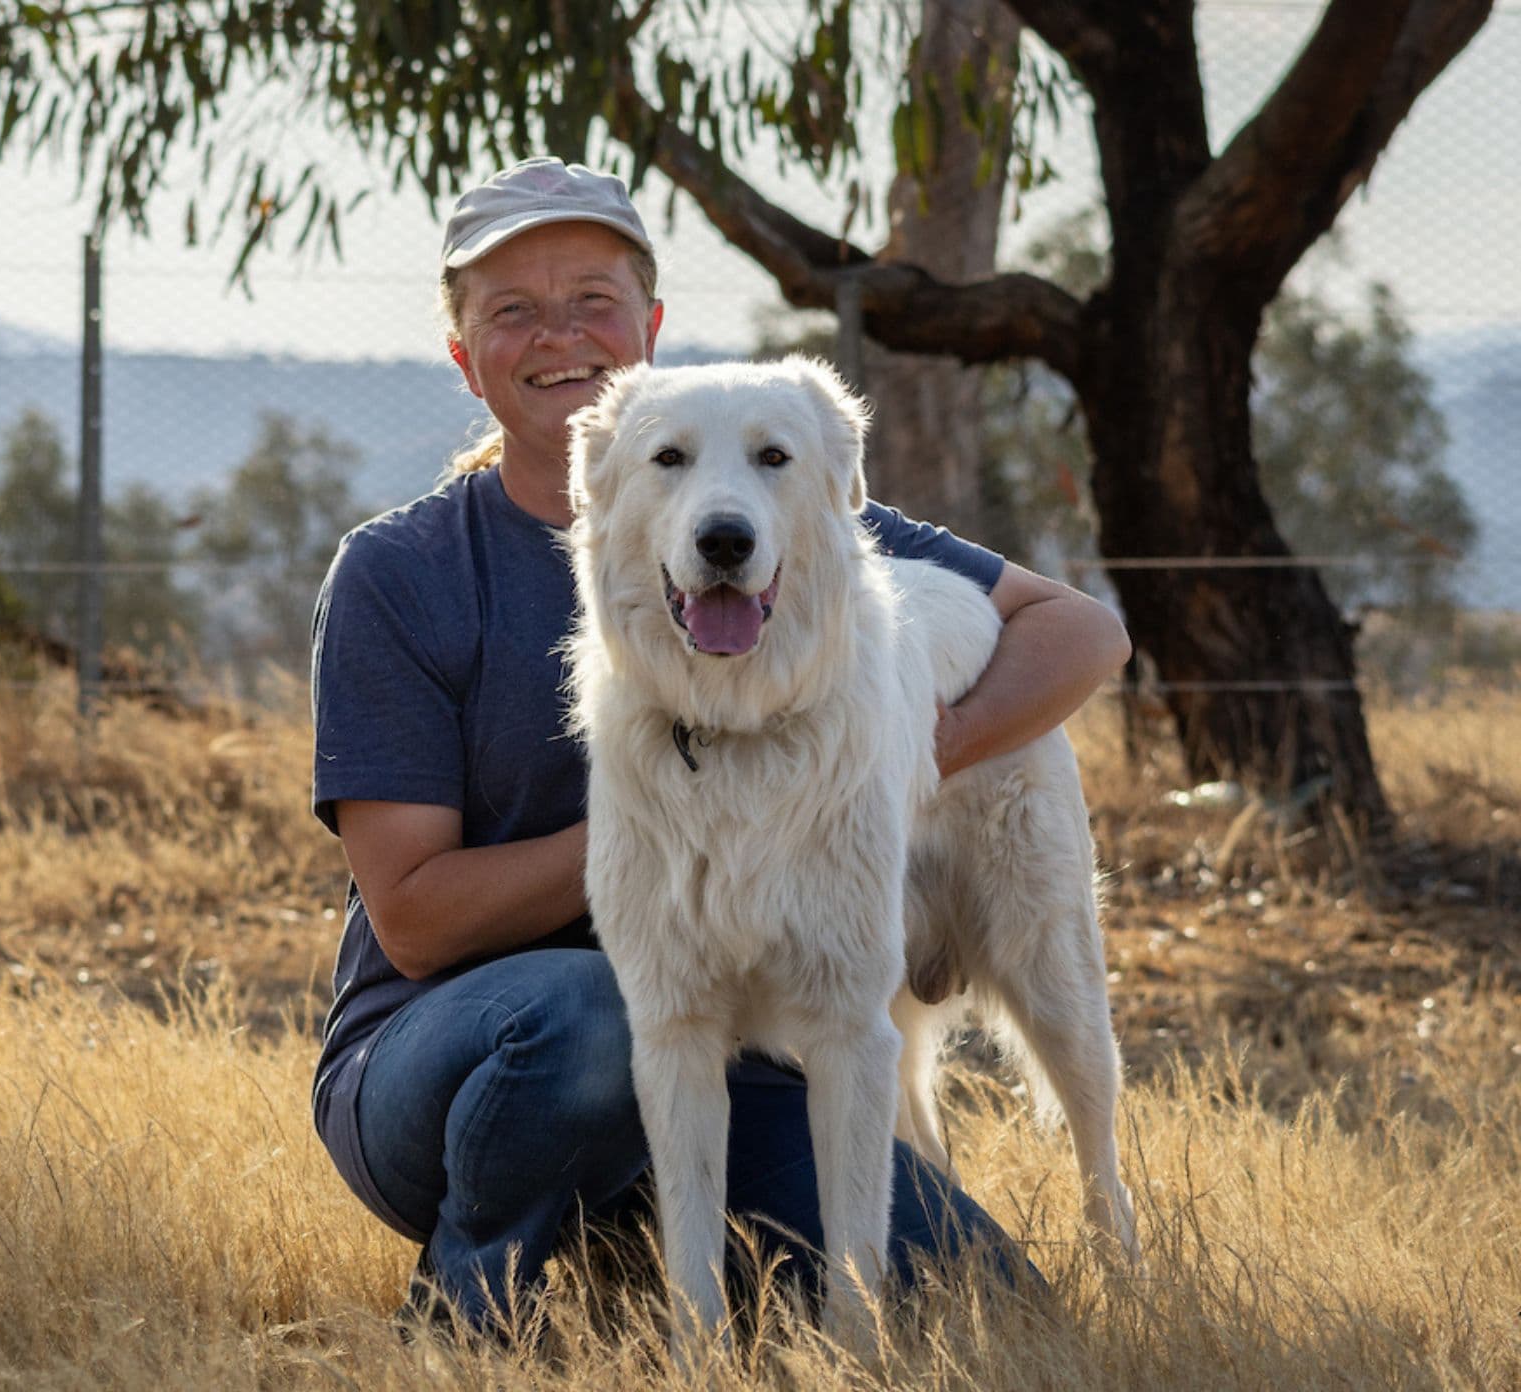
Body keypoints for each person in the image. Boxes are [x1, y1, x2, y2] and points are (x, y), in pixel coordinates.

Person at [309, 157, 1132, 1332]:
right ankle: (472, 1308)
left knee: (978, 1305)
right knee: (590, 1015)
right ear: (463, 356)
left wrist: (898, 753)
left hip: (751, 1059)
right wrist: (654, 821)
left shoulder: (776, 502)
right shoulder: (400, 573)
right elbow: (417, 918)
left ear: (647, 328)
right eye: (512, 312)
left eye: (591, 299)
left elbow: (1081, 634)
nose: (559, 335)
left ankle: (654, 1266)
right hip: (448, 1062)